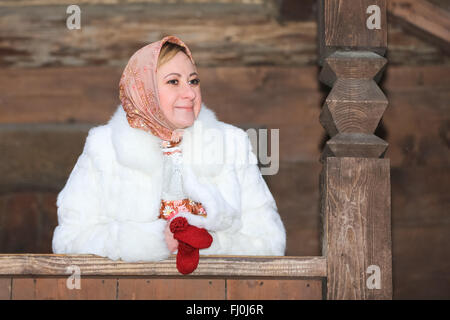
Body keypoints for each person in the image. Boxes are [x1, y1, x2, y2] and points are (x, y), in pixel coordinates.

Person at [52, 35, 286, 262]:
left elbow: (269, 241)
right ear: (144, 90)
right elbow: (69, 240)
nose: (190, 93)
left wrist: (209, 245)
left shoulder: (233, 143)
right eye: (173, 81)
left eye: (193, 81)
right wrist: (148, 243)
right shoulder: (103, 147)